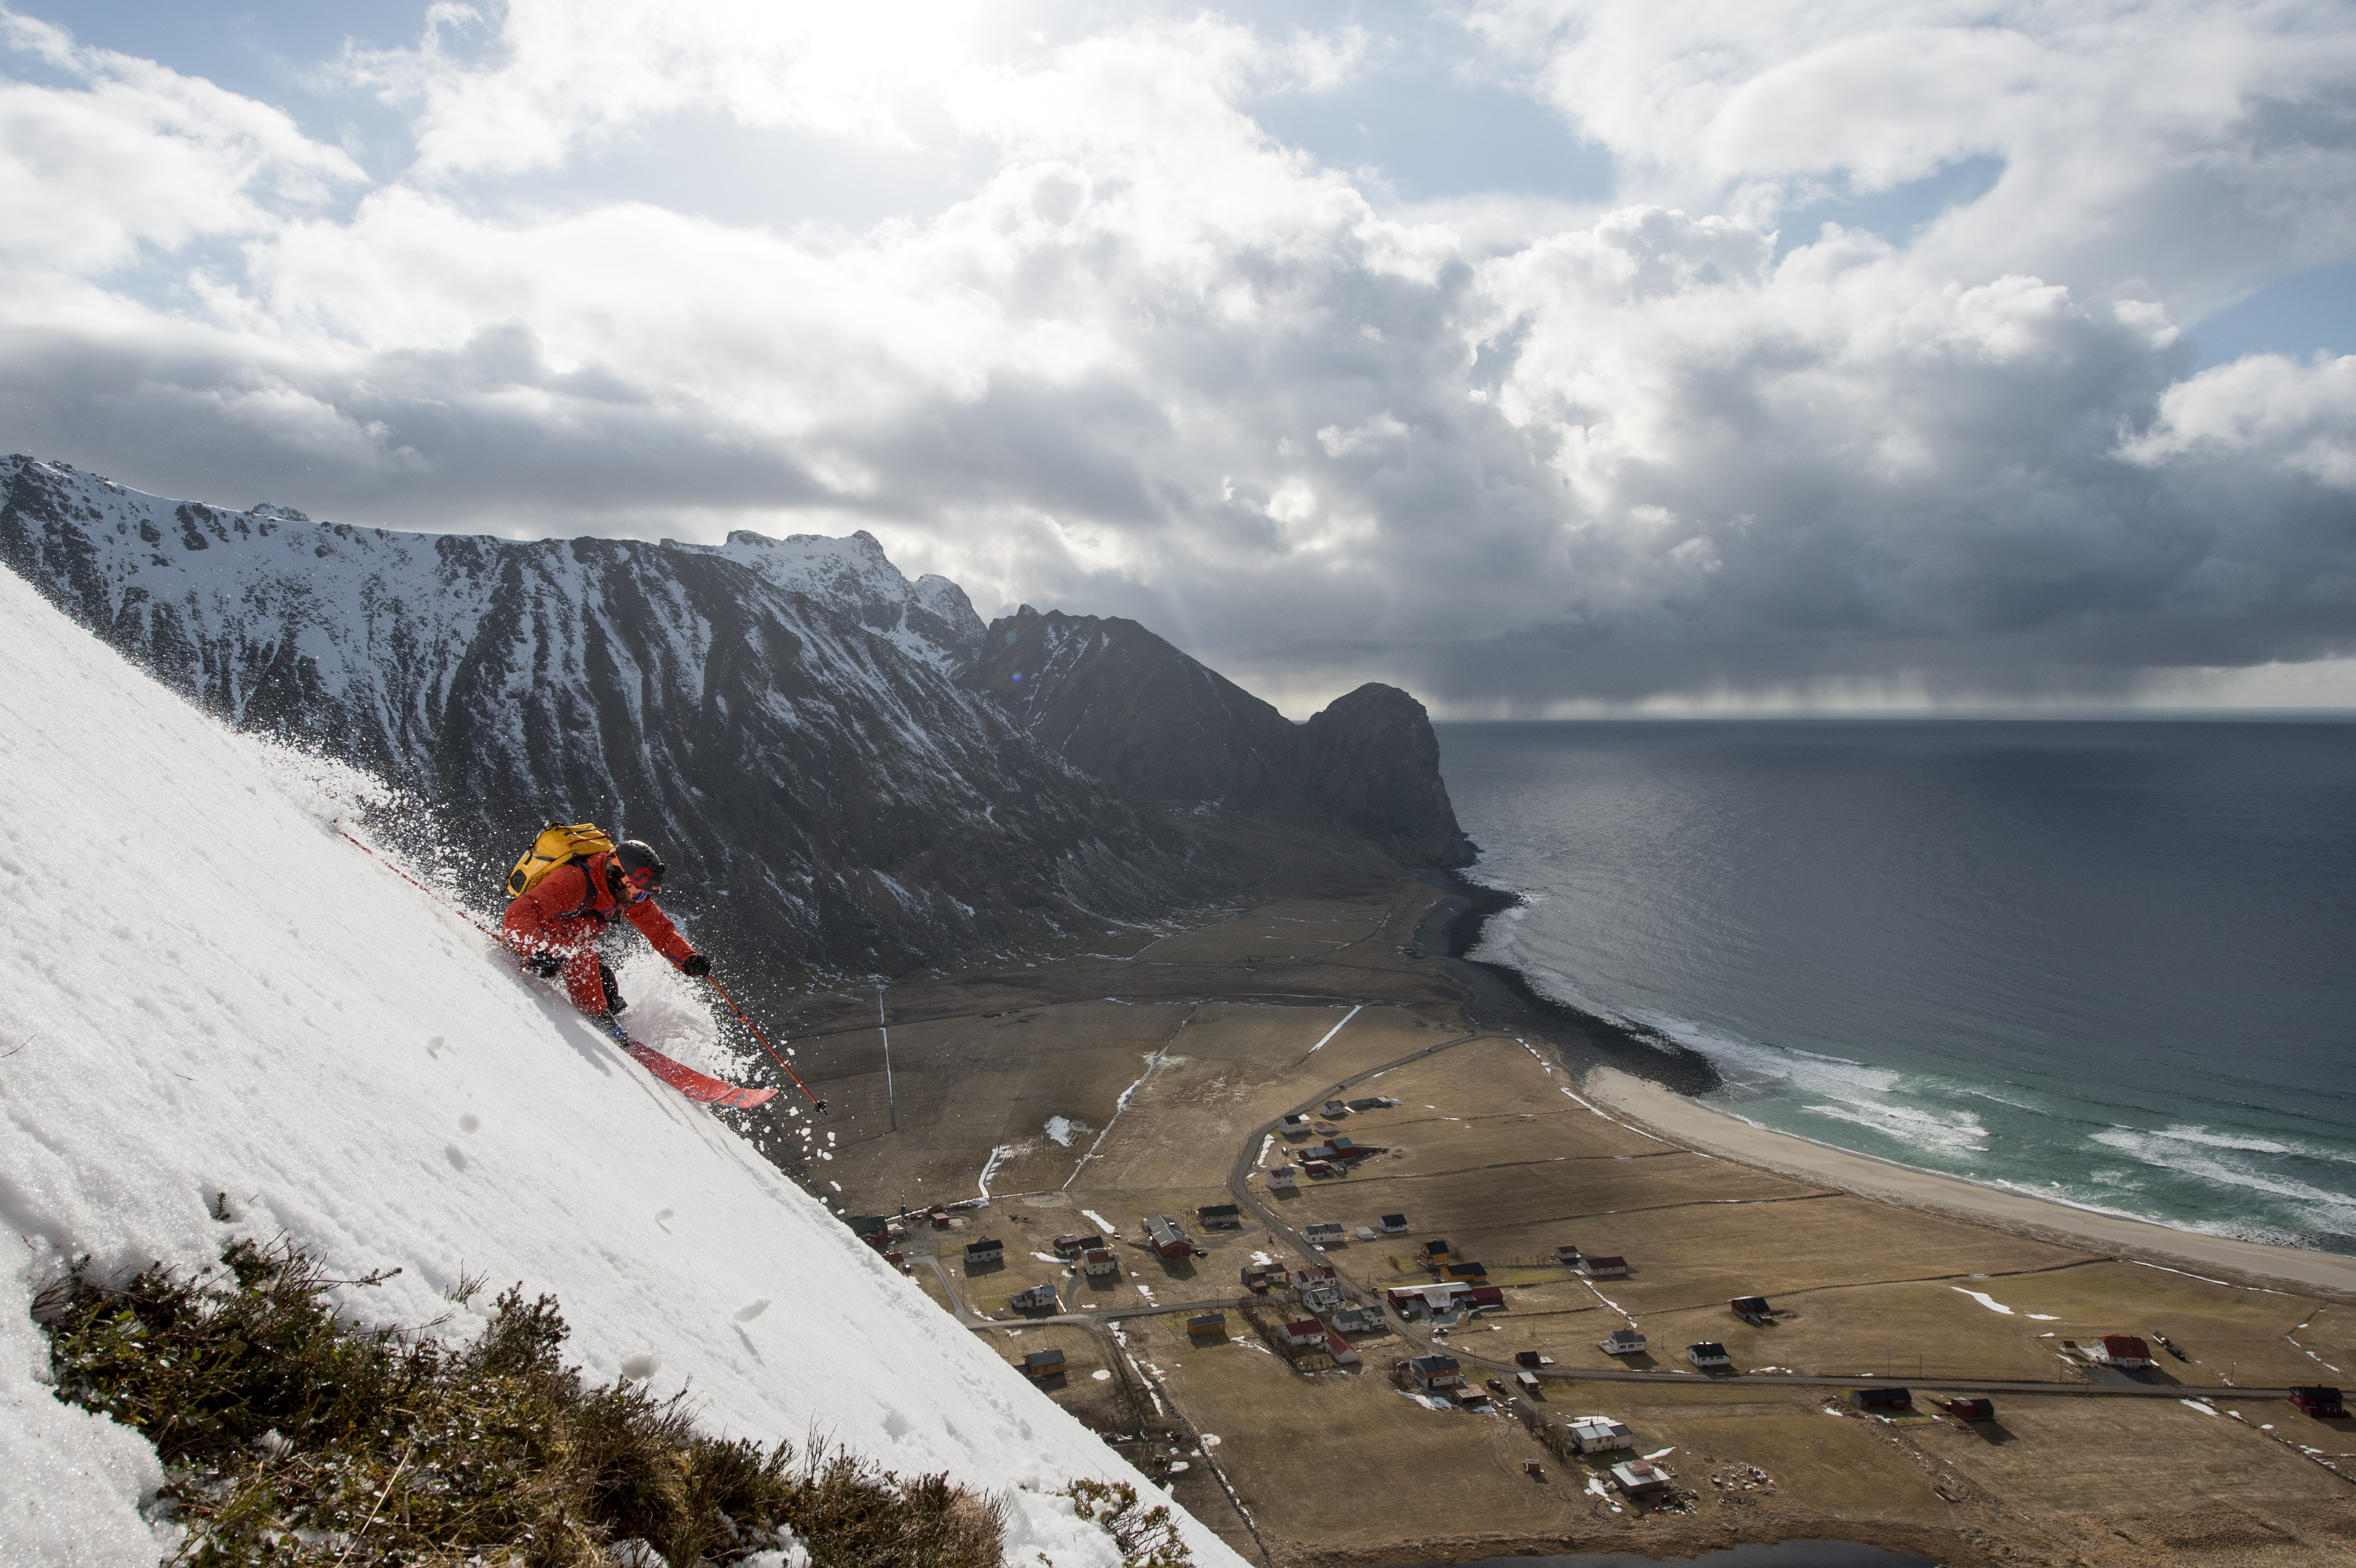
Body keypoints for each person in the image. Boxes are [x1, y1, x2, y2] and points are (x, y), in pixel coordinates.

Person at [502, 838, 711, 1022]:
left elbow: (660, 932)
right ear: (619, 877)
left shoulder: (624, 891)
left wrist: (688, 959)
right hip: (540, 944)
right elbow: (520, 912)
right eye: (639, 895)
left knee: (606, 985)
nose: (640, 902)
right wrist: (537, 949)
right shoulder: (573, 881)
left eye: (646, 896)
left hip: (565, 943)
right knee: (583, 954)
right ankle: (598, 1020)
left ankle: (607, 1016)